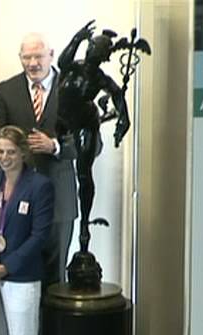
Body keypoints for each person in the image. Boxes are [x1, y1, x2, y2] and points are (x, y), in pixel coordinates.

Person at [0, 34, 77, 290]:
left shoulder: (72, 87)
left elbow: (90, 143)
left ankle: (52, 332)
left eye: (38, 56)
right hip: (15, 202)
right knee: (17, 274)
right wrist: (12, 178)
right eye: (27, 57)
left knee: (54, 280)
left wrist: (55, 146)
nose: (33, 63)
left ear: (52, 54)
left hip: (59, 200)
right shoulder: (6, 90)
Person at [56, 21, 132, 262]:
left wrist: (124, 119)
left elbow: (118, 95)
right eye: (91, 49)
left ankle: (84, 229)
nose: (92, 54)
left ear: (102, 57)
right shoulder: (73, 67)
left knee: (84, 174)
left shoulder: (99, 78)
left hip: (84, 123)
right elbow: (61, 61)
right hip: (59, 120)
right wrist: (77, 38)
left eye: (97, 52)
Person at [0, 126, 53, 335]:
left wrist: (7, 267)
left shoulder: (40, 185)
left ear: (22, 153)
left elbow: (39, 236)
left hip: (22, 277)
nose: (4, 157)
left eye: (10, 152)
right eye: (0, 151)